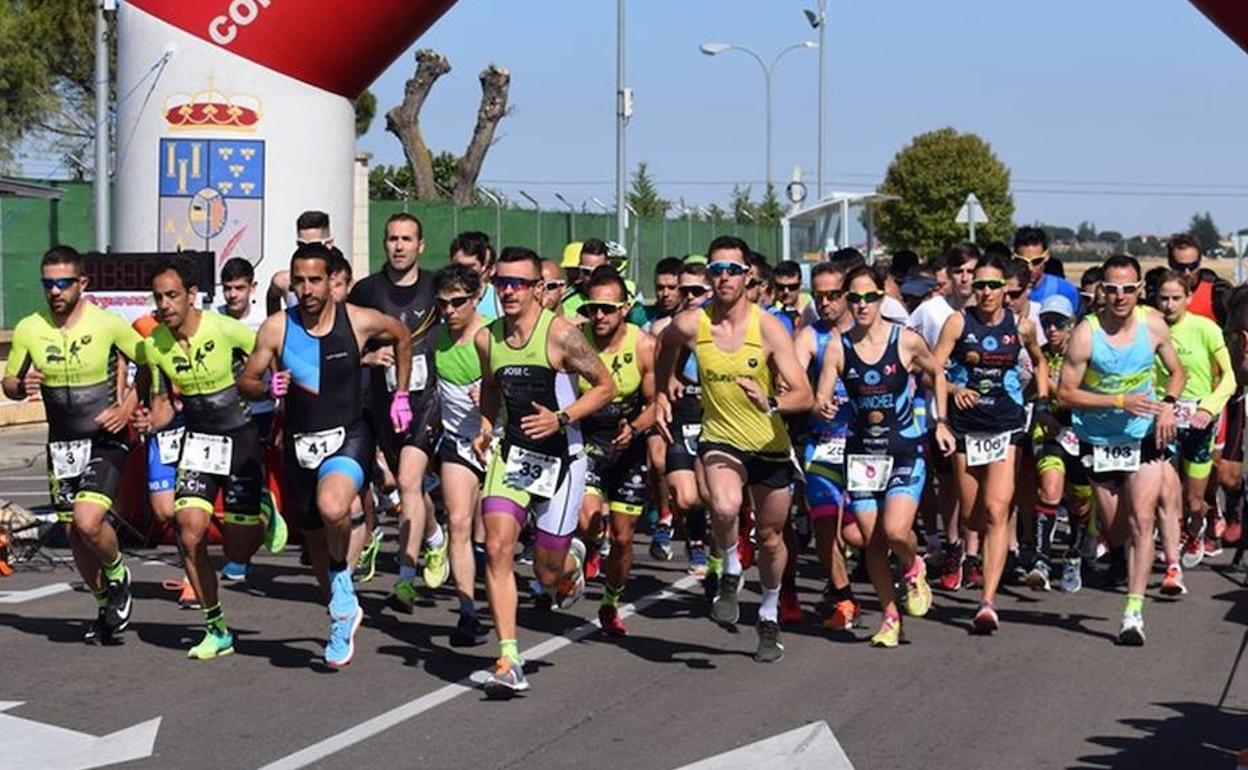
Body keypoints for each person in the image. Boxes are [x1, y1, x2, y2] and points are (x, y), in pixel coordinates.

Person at [239, 242, 414, 668]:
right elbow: (245, 380)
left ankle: (341, 578)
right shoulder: (277, 329)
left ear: (332, 282)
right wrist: (266, 387)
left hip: (349, 435)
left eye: (315, 280)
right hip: (299, 445)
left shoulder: (357, 320)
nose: (307, 289)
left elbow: (402, 334)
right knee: (316, 545)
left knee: (334, 505)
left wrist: (401, 394)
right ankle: (341, 609)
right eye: (299, 281)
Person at [655, 236, 813, 663]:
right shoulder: (693, 323)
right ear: (709, 276)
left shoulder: (768, 327)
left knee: (770, 536)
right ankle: (728, 566)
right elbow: (664, 344)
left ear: (748, 277)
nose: (724, 277)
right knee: (723, 507)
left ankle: (767, 613)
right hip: (721, 438)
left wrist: (772, 403)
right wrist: (662, 389)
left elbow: (805, 394)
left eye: (733, 270)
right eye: (717, 269)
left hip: (769, 444)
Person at [469, 246, 616, 696]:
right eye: (501, 283)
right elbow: (492, 387)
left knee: (548, 575)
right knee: (497, 546)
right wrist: (486, 424)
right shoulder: (486, 338)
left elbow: (606, 386)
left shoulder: (563, 335)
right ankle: (509, 657)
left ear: (537, 289)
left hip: (562, 457)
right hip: (513, 457)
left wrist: (563, 417)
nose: (508, 292)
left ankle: (572, 560)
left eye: (518, 284)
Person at [3, 246, 145, 644]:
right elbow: (10, 382)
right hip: (61, 445)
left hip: (104, 438)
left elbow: (151, 362)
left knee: (88, 520)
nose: (55, 291)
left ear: (82, 283)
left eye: (64, 283)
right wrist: (20, 386)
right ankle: (106, 602)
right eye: (48, 283)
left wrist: (128, 405)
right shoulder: (31, 327)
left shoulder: (107, 323)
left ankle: (118, 573)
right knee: (74, 534)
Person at [132, 257, 264, 659]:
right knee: (188, 532)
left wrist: (270, 384)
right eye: (158, 298)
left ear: (192, 295)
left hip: (240, 439)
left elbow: (267, 355)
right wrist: (150, 417)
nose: (164, 305)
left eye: (172, 295)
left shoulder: (225, 328)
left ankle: (264, 513)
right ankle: (216, 627)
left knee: (241, 548)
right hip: (200, 441)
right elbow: (162, 403)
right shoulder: (154, 345)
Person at [815, 265, 954, 646]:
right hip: (862, 455)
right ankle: (890, 617)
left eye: (869, 298)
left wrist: (940, 422)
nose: (861, 305)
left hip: (905, 449)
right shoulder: (837, 345)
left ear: (882, 299)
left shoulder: (905, 341)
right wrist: (823, 405)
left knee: (895, 531)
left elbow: (938, 373)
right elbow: (822, 393)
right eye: (854, 298)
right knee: (871, 539)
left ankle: (913, 564)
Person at [1057, 254, 1185, 646]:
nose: (1120, 296)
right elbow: (1064, 393)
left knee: (1141, 521)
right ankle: (1104, 539)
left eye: (1128, 289)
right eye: (1111, 289)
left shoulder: (1153, 324)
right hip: (1100, 441)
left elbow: (1178, 371)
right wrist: (1117, 402)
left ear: (1140, 289)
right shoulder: (1086, 333)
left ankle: (1133, 611)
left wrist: (1166, 403)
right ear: (1101, 291)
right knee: (1116, 531)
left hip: (1143, 435)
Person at [933, 255, 1047, 633]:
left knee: (998, 510)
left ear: (1006, 290)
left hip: (1006, 427)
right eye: (979, 285)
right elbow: (933, 369)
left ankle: (987, 602)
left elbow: (1040, 362)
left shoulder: (1023, 327)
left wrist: (1041, 401)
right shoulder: (957, 322)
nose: (985, 292)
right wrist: (950, 399)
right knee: (972, 516)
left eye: (993, 286)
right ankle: (977, 555)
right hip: (966, 430)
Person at [348, 213, 449, 614]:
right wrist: (369, 356)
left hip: (427, 400)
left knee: (408, 480)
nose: (399, 246)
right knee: (412, 489)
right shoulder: (367, 290)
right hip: (384, 402)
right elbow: (343, 340)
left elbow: (463, 330)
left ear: (420, 246)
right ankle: (435, 537)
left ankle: (405, 580)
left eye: (407, 238)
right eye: (392, 238)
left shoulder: (436, 287)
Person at [566, 267, 657, 637]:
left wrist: (635, 427)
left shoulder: (644, 345)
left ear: (625, 308)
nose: (598, 316)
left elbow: (656, 402)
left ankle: (611, 600)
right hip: (587, 438)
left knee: (623, 537)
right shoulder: (575, 340)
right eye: (592, 308)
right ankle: (587, 548)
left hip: (628, 442)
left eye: (606, 308)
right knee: (588, 519)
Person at [1152, 271, 1235, 579]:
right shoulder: (1151, 329)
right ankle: (1172, 556)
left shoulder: (1206, 328)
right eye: (1164, 298)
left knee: (1194, 499)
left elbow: (1229, 378)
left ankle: (1197, 529)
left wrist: (1209, 408)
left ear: (1188, 299)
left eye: (1176, 298)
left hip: (1200, 420)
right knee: (1165, 493)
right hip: (1164, 419)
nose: (1170, 305)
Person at [793, 262, 860, 630]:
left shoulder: (870, 334)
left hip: (867, 446)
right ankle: (843, 598)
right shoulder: (809, 336)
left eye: (834, 295)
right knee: (823, 524)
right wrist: (811, 400)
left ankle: (912, 561)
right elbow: (792, 381)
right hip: (823, 444)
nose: (825, 303)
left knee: (856, 533)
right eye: (818, 296)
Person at [908, 243, 977, 589]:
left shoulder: (991, 308)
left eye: (970, 271)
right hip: (942, 415)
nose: (965, 278)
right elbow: (918, 369)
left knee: (987, 489)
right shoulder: (929, 311)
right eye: (958, 271)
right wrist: (951, 390)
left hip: (988, 417)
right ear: (947, 276)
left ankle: (980, 553)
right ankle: (953, 546)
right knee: (949, 484)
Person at [431, 264, 491, 646]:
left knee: (499, 536)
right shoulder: (436, 338)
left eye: (458, 302)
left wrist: (490, 396)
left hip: (500, 443)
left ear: (476, 298)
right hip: (458, 443)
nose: (450, 310)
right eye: (443, 304)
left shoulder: (491, 337)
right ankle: (467, 613)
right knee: (457, 522)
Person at [216, 257, 286, 579]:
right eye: (228, 289)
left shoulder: (264, 321)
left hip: (260, 411)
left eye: (239, 288)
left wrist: (280, 404)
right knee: (231, 480)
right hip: (223, 413)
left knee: (245, 475)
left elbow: (276, 362)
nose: (233, 295)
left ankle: (241, 555)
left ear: (252, 288)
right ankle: (245, 537)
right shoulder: (213, 319)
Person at [1027, 295, 1095, 593]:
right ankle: (1041, 561)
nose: (1052, 329)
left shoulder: (1086, 356)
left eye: (1059, 323)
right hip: (1050, 433)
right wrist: (1042, 407)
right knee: (1050, 489)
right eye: (1046, 323)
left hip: (1082, 434)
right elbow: (1027, 393)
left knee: (1080, 500)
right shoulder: (1039, 356)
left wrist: (1058, 389)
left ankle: (1073, 555)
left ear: (1073, 325)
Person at [650, 262, 713, 580]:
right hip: (683, 413)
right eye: (683, 290)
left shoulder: (722, 329)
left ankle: (714, 545)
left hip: (717, 418)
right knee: (687, 496)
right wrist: (665, 386)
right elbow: (659, 354)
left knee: (716, 494)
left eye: (696, 291)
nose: (689, 296)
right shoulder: (668, 328)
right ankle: (697, 540)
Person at [268, 210, 334, 314]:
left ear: (328, 244)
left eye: (314, 245)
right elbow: (272, 297)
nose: (308, 250)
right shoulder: (283, 280)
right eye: (302, 244)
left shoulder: (345, 285)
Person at [1167, 233, 1231, 325]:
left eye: (1192, 266)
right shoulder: (1158, 291)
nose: (1187, 273)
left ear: (1199, 262)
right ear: (1170, 264)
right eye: (1180, 267)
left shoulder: (1218, 292)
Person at [1013, 226, 1079, 309]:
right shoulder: (1004, 290)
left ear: (1046, 256)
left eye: (1036, 261)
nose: (1030, 268)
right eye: (1023, 261)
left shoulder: (1065, 290)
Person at [450, 231, 497, 320]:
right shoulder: (440, 300)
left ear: (483, 266)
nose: (463, 271)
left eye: (470, 266)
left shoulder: (499, 301)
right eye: (458, 266)